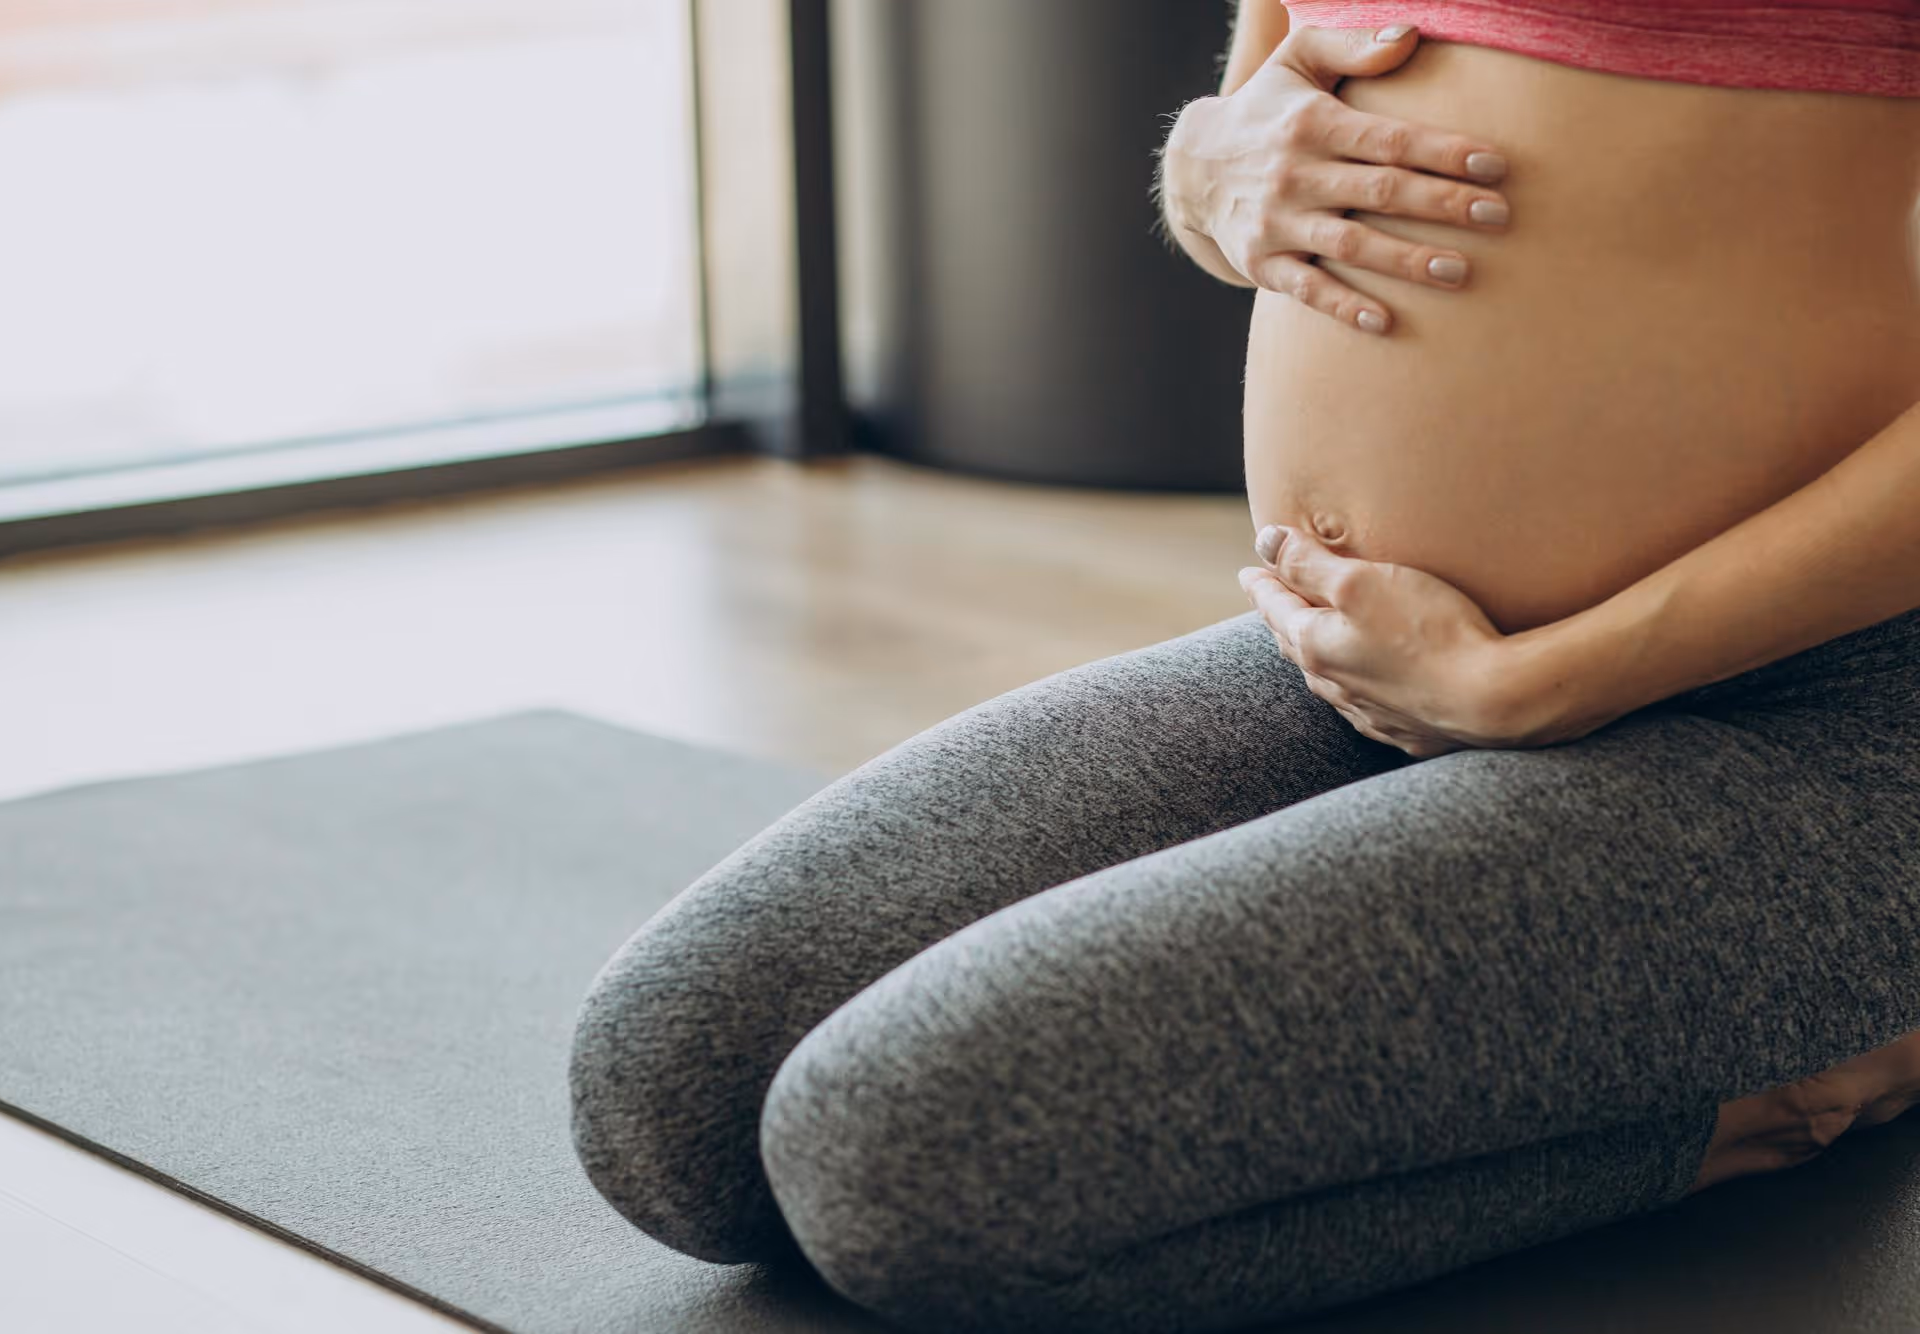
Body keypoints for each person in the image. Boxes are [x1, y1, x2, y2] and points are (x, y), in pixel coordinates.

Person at [569, 4, 1920, 1330]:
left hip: (1808, 720)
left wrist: (1545, 682)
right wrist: (1206, 164)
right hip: (1347, 676)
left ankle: (1772, 1097)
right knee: (668, 1093)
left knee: (903, 1167)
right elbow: (1259, 117)